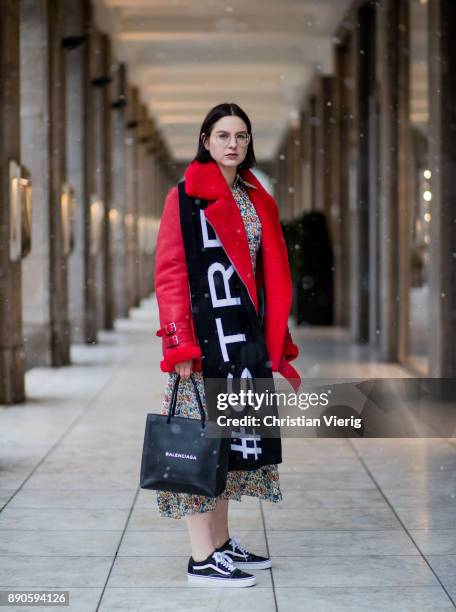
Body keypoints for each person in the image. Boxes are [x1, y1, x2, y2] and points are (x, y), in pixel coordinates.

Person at [154, 102, 301, 587]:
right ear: (205, 140)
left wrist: (274, 338)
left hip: (242, 341)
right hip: (205, 342)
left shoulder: (256, 197)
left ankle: (220, 544)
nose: (233, 144)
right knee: (200, 445)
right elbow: (172, 273)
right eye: (223, 135)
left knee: (231, 447)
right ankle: (201, 559)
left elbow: (265, 273)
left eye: (241, 135)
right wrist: (179, 345)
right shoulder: (184, 199)